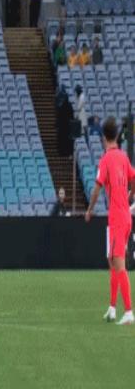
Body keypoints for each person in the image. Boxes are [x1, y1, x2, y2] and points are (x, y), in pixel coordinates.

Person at [85, 117, 135, 325]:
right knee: (112, 259)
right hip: (126, 217)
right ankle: (113, 308)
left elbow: (97, 189)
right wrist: (130, 194)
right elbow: (133, 177)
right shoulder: (123, 156)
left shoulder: (106, 159)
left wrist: (89, 210)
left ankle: (129, 311)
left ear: (104, 138)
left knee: (119, 264)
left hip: (117, 218)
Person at [55, 84, 74, 156]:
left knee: (63, 139)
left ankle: (62, 152)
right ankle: (64, 152)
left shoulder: (61, 105)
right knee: (64, 139)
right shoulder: (68, 105)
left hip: (64, 126)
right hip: (65, 126)